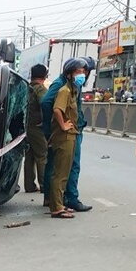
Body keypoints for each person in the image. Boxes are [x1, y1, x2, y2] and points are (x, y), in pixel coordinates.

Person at [41, 57, 93, 212]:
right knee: (65, 168)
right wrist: (57, 126)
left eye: (84, 71)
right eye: (79, 71)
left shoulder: (72, 86)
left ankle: (54, 200)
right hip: (65, 133)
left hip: (69, 131)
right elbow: (48, 104)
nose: (83, 74)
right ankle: (66, 200)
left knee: (57, 166)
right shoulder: (62, 86)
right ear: (70, 73)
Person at [24, 64, 48, 193]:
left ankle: (29, 185)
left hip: (26, 127)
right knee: (42, 156)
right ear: (44, 76)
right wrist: (45, 122)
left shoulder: (27, 88)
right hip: (37, 127)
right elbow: (45, 104)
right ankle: (44, 185)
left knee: (29, 156)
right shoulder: (40, 89)